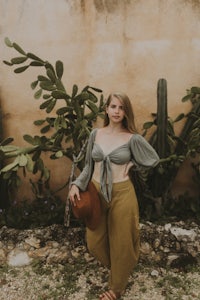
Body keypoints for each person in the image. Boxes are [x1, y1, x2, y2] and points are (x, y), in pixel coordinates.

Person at [69, 92, 159, 300]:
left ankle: (116, 288)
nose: (117, 111)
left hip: (122, 193)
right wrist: (76, 184)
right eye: (113, 106)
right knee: (94, 241)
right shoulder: (96, 134)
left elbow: (152, 159)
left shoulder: (132, 138)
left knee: (122, 241)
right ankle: (123, 267)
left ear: (126, 112)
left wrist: (133, 164)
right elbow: (89, 166)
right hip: (96, 191)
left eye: (121, 107)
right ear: (107, 109)